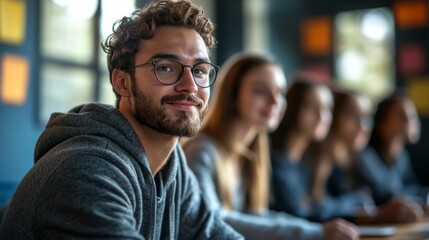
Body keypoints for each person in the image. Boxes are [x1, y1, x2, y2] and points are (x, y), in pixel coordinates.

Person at [0, 1, 243, 239]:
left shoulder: (172, 167)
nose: (190, 85)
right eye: (166, 68)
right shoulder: (87, 170)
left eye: (199, 70)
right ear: (122, 82)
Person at [183, 54, 359, 240]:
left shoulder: (250, 154)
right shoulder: (202, 150)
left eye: (280, 93)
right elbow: (214, 221)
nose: (275, 102)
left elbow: (255, 215)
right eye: (261, 91)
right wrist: (315, 233)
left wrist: (316, 229)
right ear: (233, 95)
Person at [311, 90, 423, 224]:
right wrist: (363, 205)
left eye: (366, 117)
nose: (362, 125)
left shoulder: (351, 161)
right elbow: (315, 210)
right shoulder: (321, 162)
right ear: (334, 117)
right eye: (352, 115)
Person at [269, 77, 334, 222]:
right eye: (312, 107)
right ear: (293, 107)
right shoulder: (275, 161)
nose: (321, 116)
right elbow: (299, 213)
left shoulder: (308, 162)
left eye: (327, 109)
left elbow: (318, 206)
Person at [357, 90, 429, 208]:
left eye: (413, 116)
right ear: (382, 124)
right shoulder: (367, 157)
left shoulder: (401, 156)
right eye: (403, 116)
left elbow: (411, 187)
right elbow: (387, 195)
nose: (411, 122)